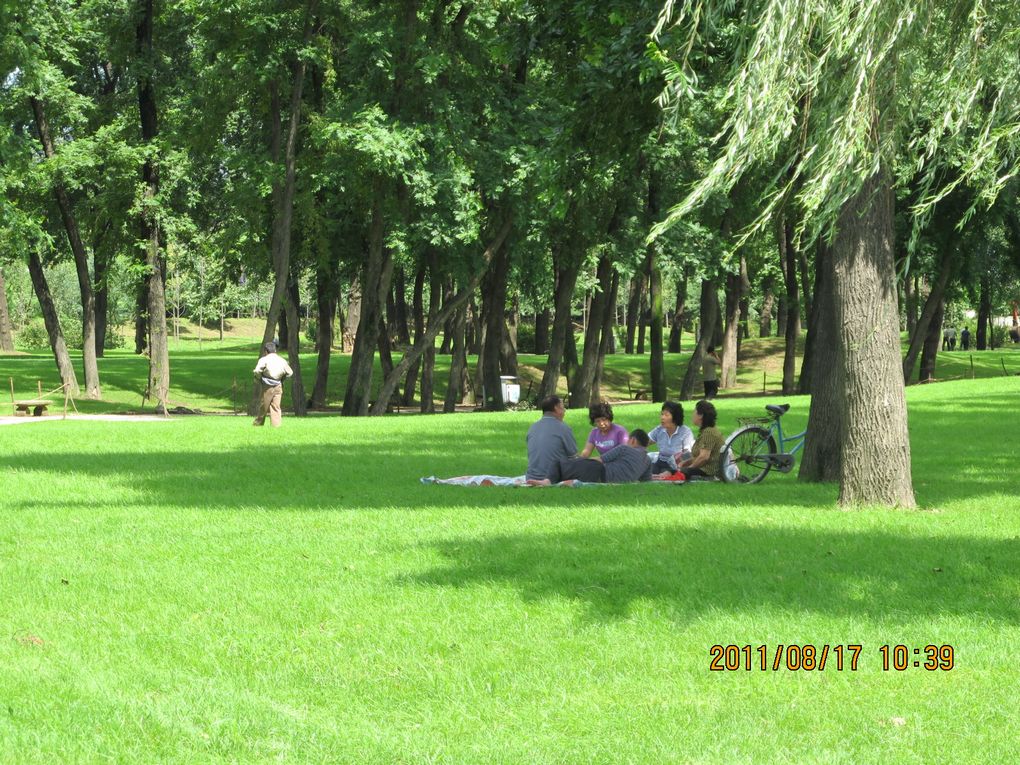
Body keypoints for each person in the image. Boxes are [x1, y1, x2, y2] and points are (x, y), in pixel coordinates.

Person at [530, 429, 654, 485]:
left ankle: (547, 481)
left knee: (559, 463)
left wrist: (580, 460)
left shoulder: (624, 448)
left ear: (632, 440)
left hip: (598, 472)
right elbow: (646, 480)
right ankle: (556, 480)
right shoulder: (647, 460)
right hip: (602, 477)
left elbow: (600, 459)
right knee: (567, 469)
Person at [655, 399, 725, 481]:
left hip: (708, 470)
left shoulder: (709, 432)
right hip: (704, 468)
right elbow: (698, 457)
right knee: (673, 470)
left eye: (694, 412)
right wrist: (686, 462)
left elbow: (703, 457)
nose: (692, 415)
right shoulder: (706, 431)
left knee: (675, 472)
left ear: (700, 415)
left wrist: (688, 469)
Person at [526, 395, 578, 482]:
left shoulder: (532, 428)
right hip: (554, 478)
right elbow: (573, 456)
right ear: (556, 408)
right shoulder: (563, 428)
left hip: (531, 477)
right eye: (563, 407)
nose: (564, 411)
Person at [647, 400, 695, 475]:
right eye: (662, 414)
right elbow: (645, 441)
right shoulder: (659, 429)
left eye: (666, 415)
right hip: (660, 462)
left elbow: (688, 454)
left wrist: (677, 467)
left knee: (665, 474)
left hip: (675, 464)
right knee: (646, 471)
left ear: (675, 418)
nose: (662, 417)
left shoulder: (685, 432)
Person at [253, 341, 293, 427]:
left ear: (266, 351)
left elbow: (257, 371)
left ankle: (258, 424)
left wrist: (260, 378)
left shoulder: (264, 359)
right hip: (278, 385)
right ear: (275, 350)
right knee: (276, 407)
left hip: (267, 386)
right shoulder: (282, 360)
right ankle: (276, 426)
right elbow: (290, 373)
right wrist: (282, 378)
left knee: (264, 406)